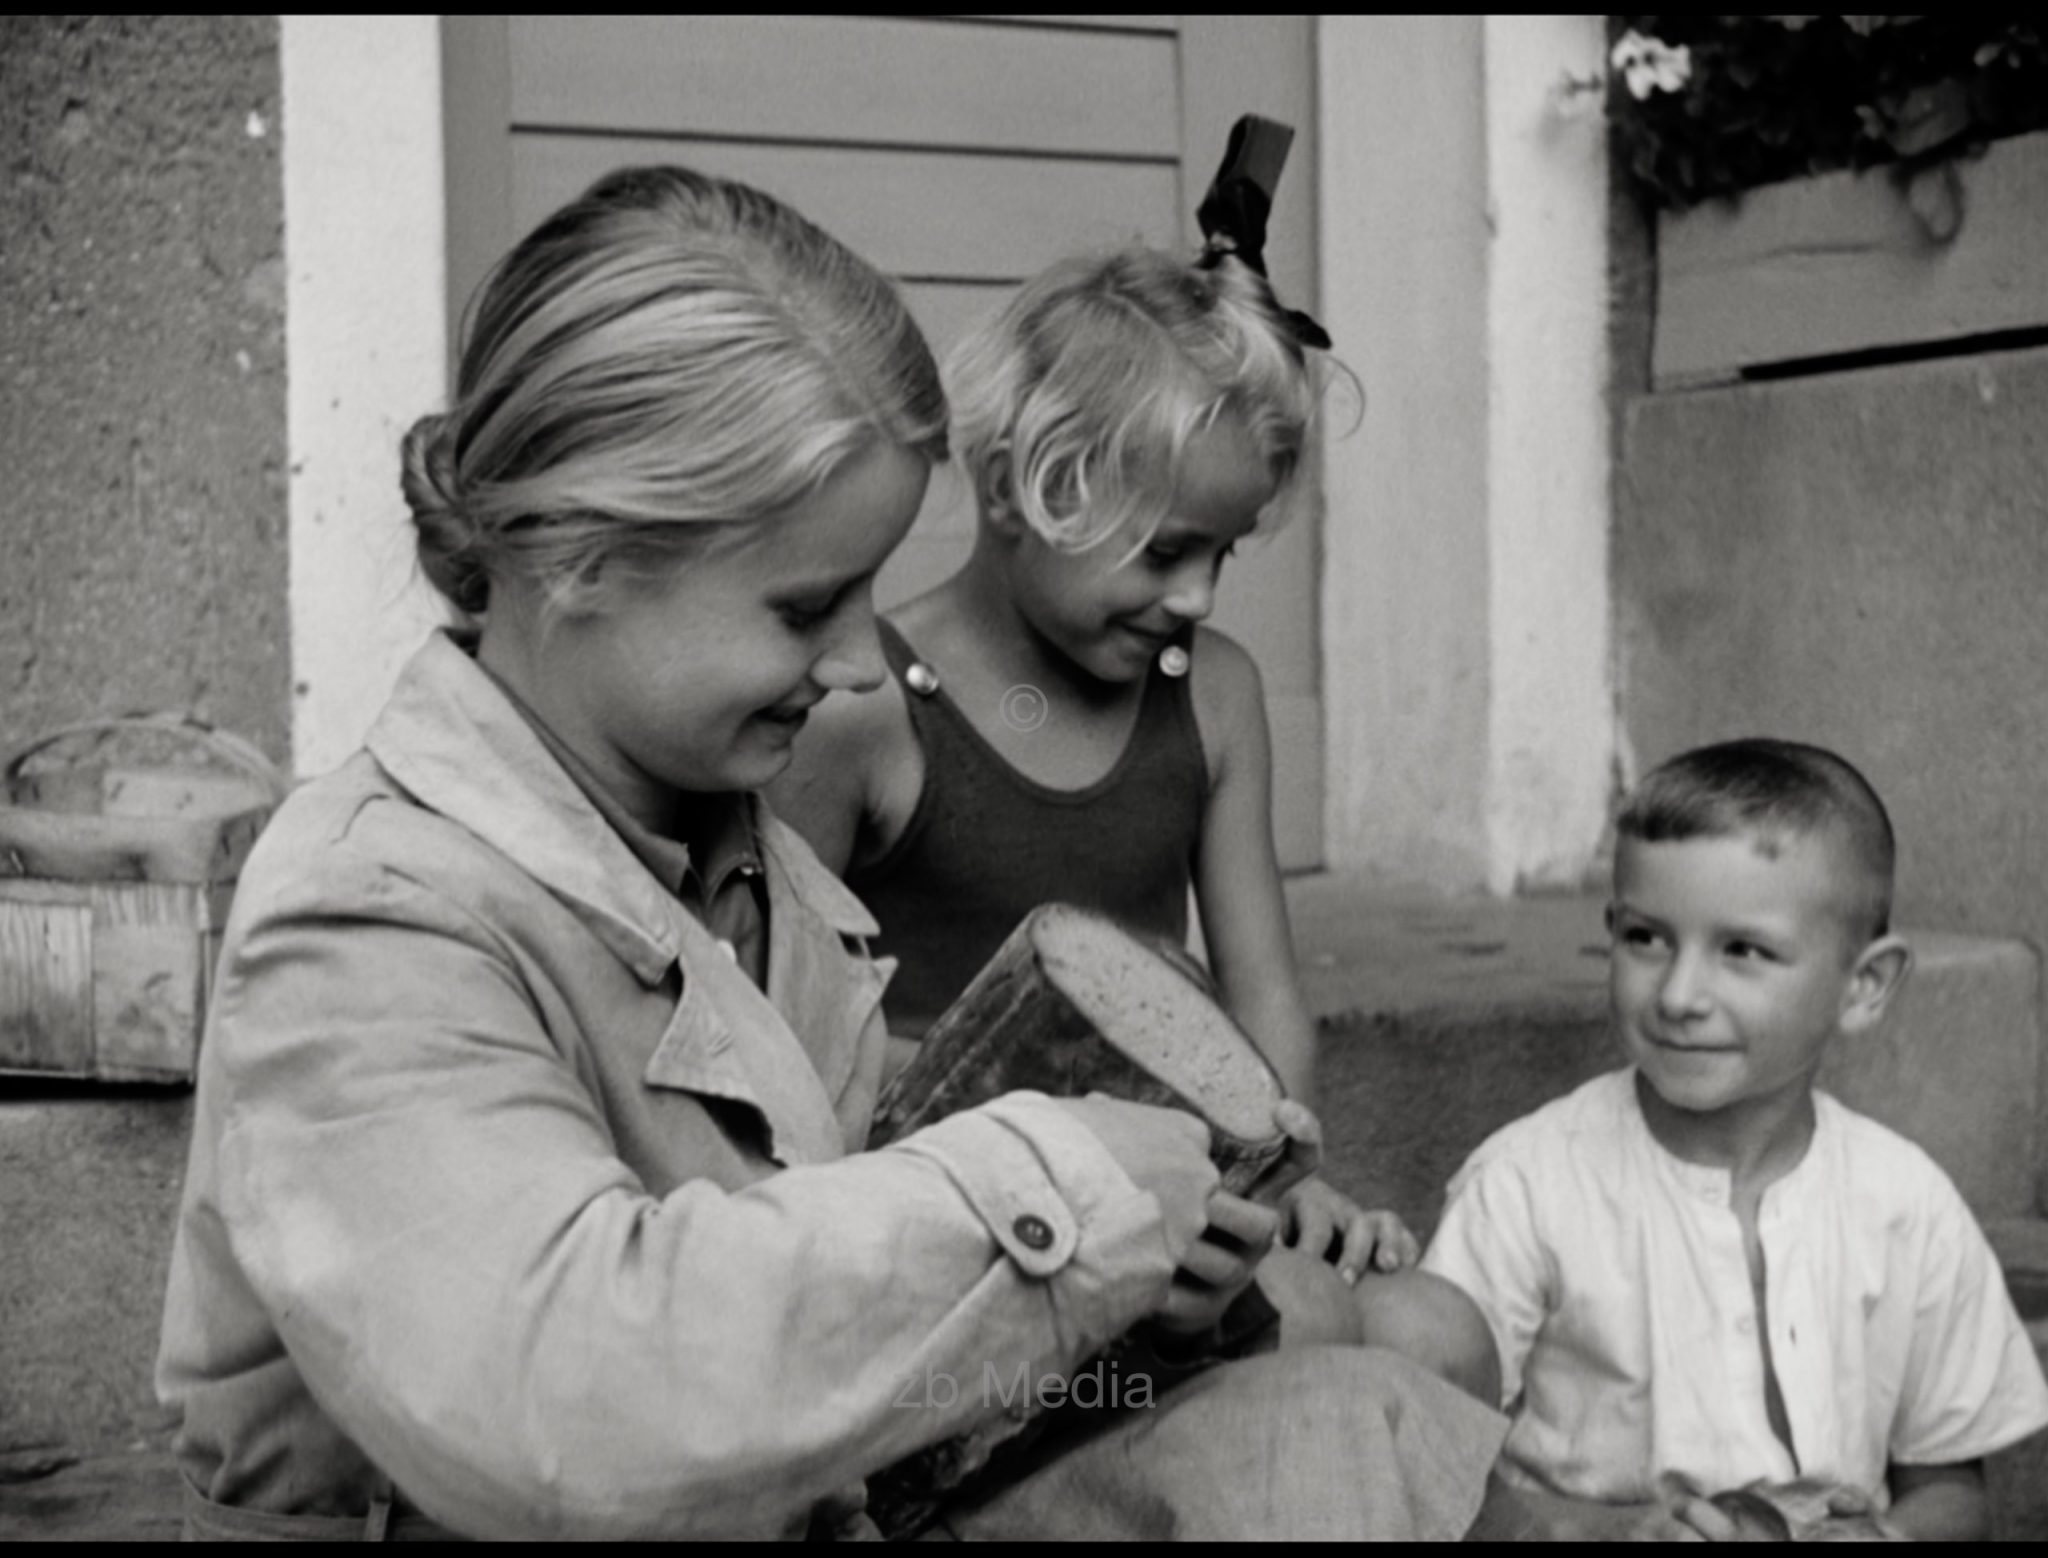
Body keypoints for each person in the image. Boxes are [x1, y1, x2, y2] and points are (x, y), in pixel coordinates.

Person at [153, 164, 1506, 1541]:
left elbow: (874, 1379)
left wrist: (1148, 1310)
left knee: (1364, 1416)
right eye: (808, 605)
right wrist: (1066, 1193)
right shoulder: (369, 914)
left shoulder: (760, 880)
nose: (864, 660)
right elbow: (561, 1405)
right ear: (583, 555)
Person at [766, 156, 1438, 1298]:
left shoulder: (1211, 695)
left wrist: (1268, 1172)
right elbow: (787, 1022)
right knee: (1309, 1325)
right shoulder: (865, 706)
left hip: (1183, 1176)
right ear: (1015, 489)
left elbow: (1261, 988)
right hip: (959, 1206)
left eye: (1221, 553)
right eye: (1164, 549)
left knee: (1437, 1328)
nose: (1198, 598)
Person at [1426, 738, 2048, 1541]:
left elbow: (1953, 1494)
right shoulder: (1525, 1186)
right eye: (1646, 938)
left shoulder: (1907, 1206)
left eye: (1743, 951)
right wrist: (1606, 1534)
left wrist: (1887, 1536)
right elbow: (1425, 1472)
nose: (1681, 995)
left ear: (1863, 987)